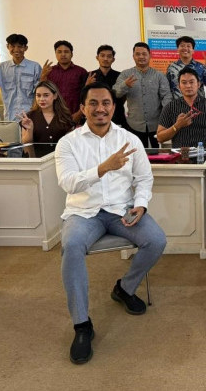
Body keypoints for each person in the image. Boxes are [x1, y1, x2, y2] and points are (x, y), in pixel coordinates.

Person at [55, 82, 166, 365]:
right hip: (83, 212)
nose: (100, 108)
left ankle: (124, 288)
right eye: (93, 103)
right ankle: (82, 324)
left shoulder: (130, 140)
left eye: (105, 103)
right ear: (83, 108)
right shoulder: (68, 143)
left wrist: (141, 204)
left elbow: (144, 178)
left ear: (114, 107)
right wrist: (103, 168)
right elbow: (67, 182)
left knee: (156, 240)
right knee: (71, 246)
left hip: (121, 210)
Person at [114, 42, 171, 148]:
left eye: (144, 54)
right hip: (134, 124)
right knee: (136, 153)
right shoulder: (126, 74)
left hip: (157, 124)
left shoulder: (159, 75)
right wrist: (125, 85)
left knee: (158, 154)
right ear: (133, 56)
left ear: (150, 55)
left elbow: (166, 96)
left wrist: (165, 117)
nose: (141, 57)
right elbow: (116, 93)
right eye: (138, 54)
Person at [156, 67, 206, 149]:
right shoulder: (170, 107)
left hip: (203, 155)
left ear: (198, 84)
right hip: (179, 155)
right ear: (179, 86)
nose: (188, 86)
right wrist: (177, 126)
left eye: (191, 82)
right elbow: (160, 138)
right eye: (184, 83)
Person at [0, 33, 43, 121]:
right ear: (7, 47)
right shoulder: (2, 67)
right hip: (9, 116)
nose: (16, 49)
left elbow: (40, 92)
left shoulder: (35, 67)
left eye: (20, 46)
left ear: (26, 48)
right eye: (12, 46)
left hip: (30, 116)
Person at [41, 40, 88, 123]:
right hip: (54, 116)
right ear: (55, 54)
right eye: (59, 52)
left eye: (66, 52)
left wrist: (80, 113)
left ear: (72, 54)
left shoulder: (81, 72)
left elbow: (86, 95)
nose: (63, 54)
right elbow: (42, 93)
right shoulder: (49, 71)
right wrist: (43, 76)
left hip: (75, 116)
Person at [84, 44, 127, 128]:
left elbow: (124, 96)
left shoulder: (120, 76)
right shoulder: (89, 75)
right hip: (96, 115)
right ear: (97, 57)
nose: (105, 59)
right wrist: (87, 85)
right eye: (102, 56)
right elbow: (83, 97)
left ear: (113, 59)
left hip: (117, 115)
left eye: (109, 56)